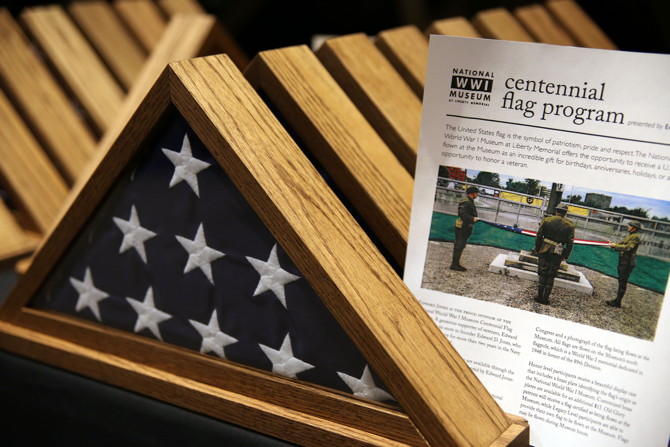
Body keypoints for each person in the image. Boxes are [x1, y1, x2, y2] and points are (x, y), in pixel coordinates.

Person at [534, 203, 575, 305]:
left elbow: (539, 235)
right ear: (565, 213)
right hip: (558, 252)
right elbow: (570, 243)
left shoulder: (547, 220)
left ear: (556, 211)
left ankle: (539, 297)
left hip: (544, 249)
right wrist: (565, 255)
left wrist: (538, 248)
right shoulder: (570, 225)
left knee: (542, 272)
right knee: (551, 275)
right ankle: (545, 298)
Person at [607, 221, 642, 308]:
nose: (628, 227)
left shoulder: (636, 237)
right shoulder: (630, 235)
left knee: (623, 281)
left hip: (627, 261)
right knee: (621, 279)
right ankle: (617, 300)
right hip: (624, 260)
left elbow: (628, 247)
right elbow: (622, 243)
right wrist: (613, 244)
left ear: (634, 228)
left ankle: (617, 302)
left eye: (630, 226)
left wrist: (615, 246)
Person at [450, 186, 479, 271]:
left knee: (461, 245)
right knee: (459, 245)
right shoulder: (467, 202)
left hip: (465, 226)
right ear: (472, 193)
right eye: (476, 193)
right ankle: (455, 265)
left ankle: (456, 263)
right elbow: (461, 213)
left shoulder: (469, 201)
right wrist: (472, 219)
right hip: (463, 226)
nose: (477, 194)